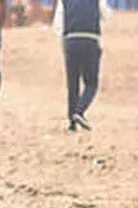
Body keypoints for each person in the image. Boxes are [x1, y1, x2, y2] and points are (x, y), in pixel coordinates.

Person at [53, 0, 113, 132]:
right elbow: (107, 14)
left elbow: (58, 24)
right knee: (91, 83)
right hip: (90, 38)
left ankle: (72, 124)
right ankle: (79, 111)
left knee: (72, 83)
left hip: (71, 39)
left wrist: (63, 43)